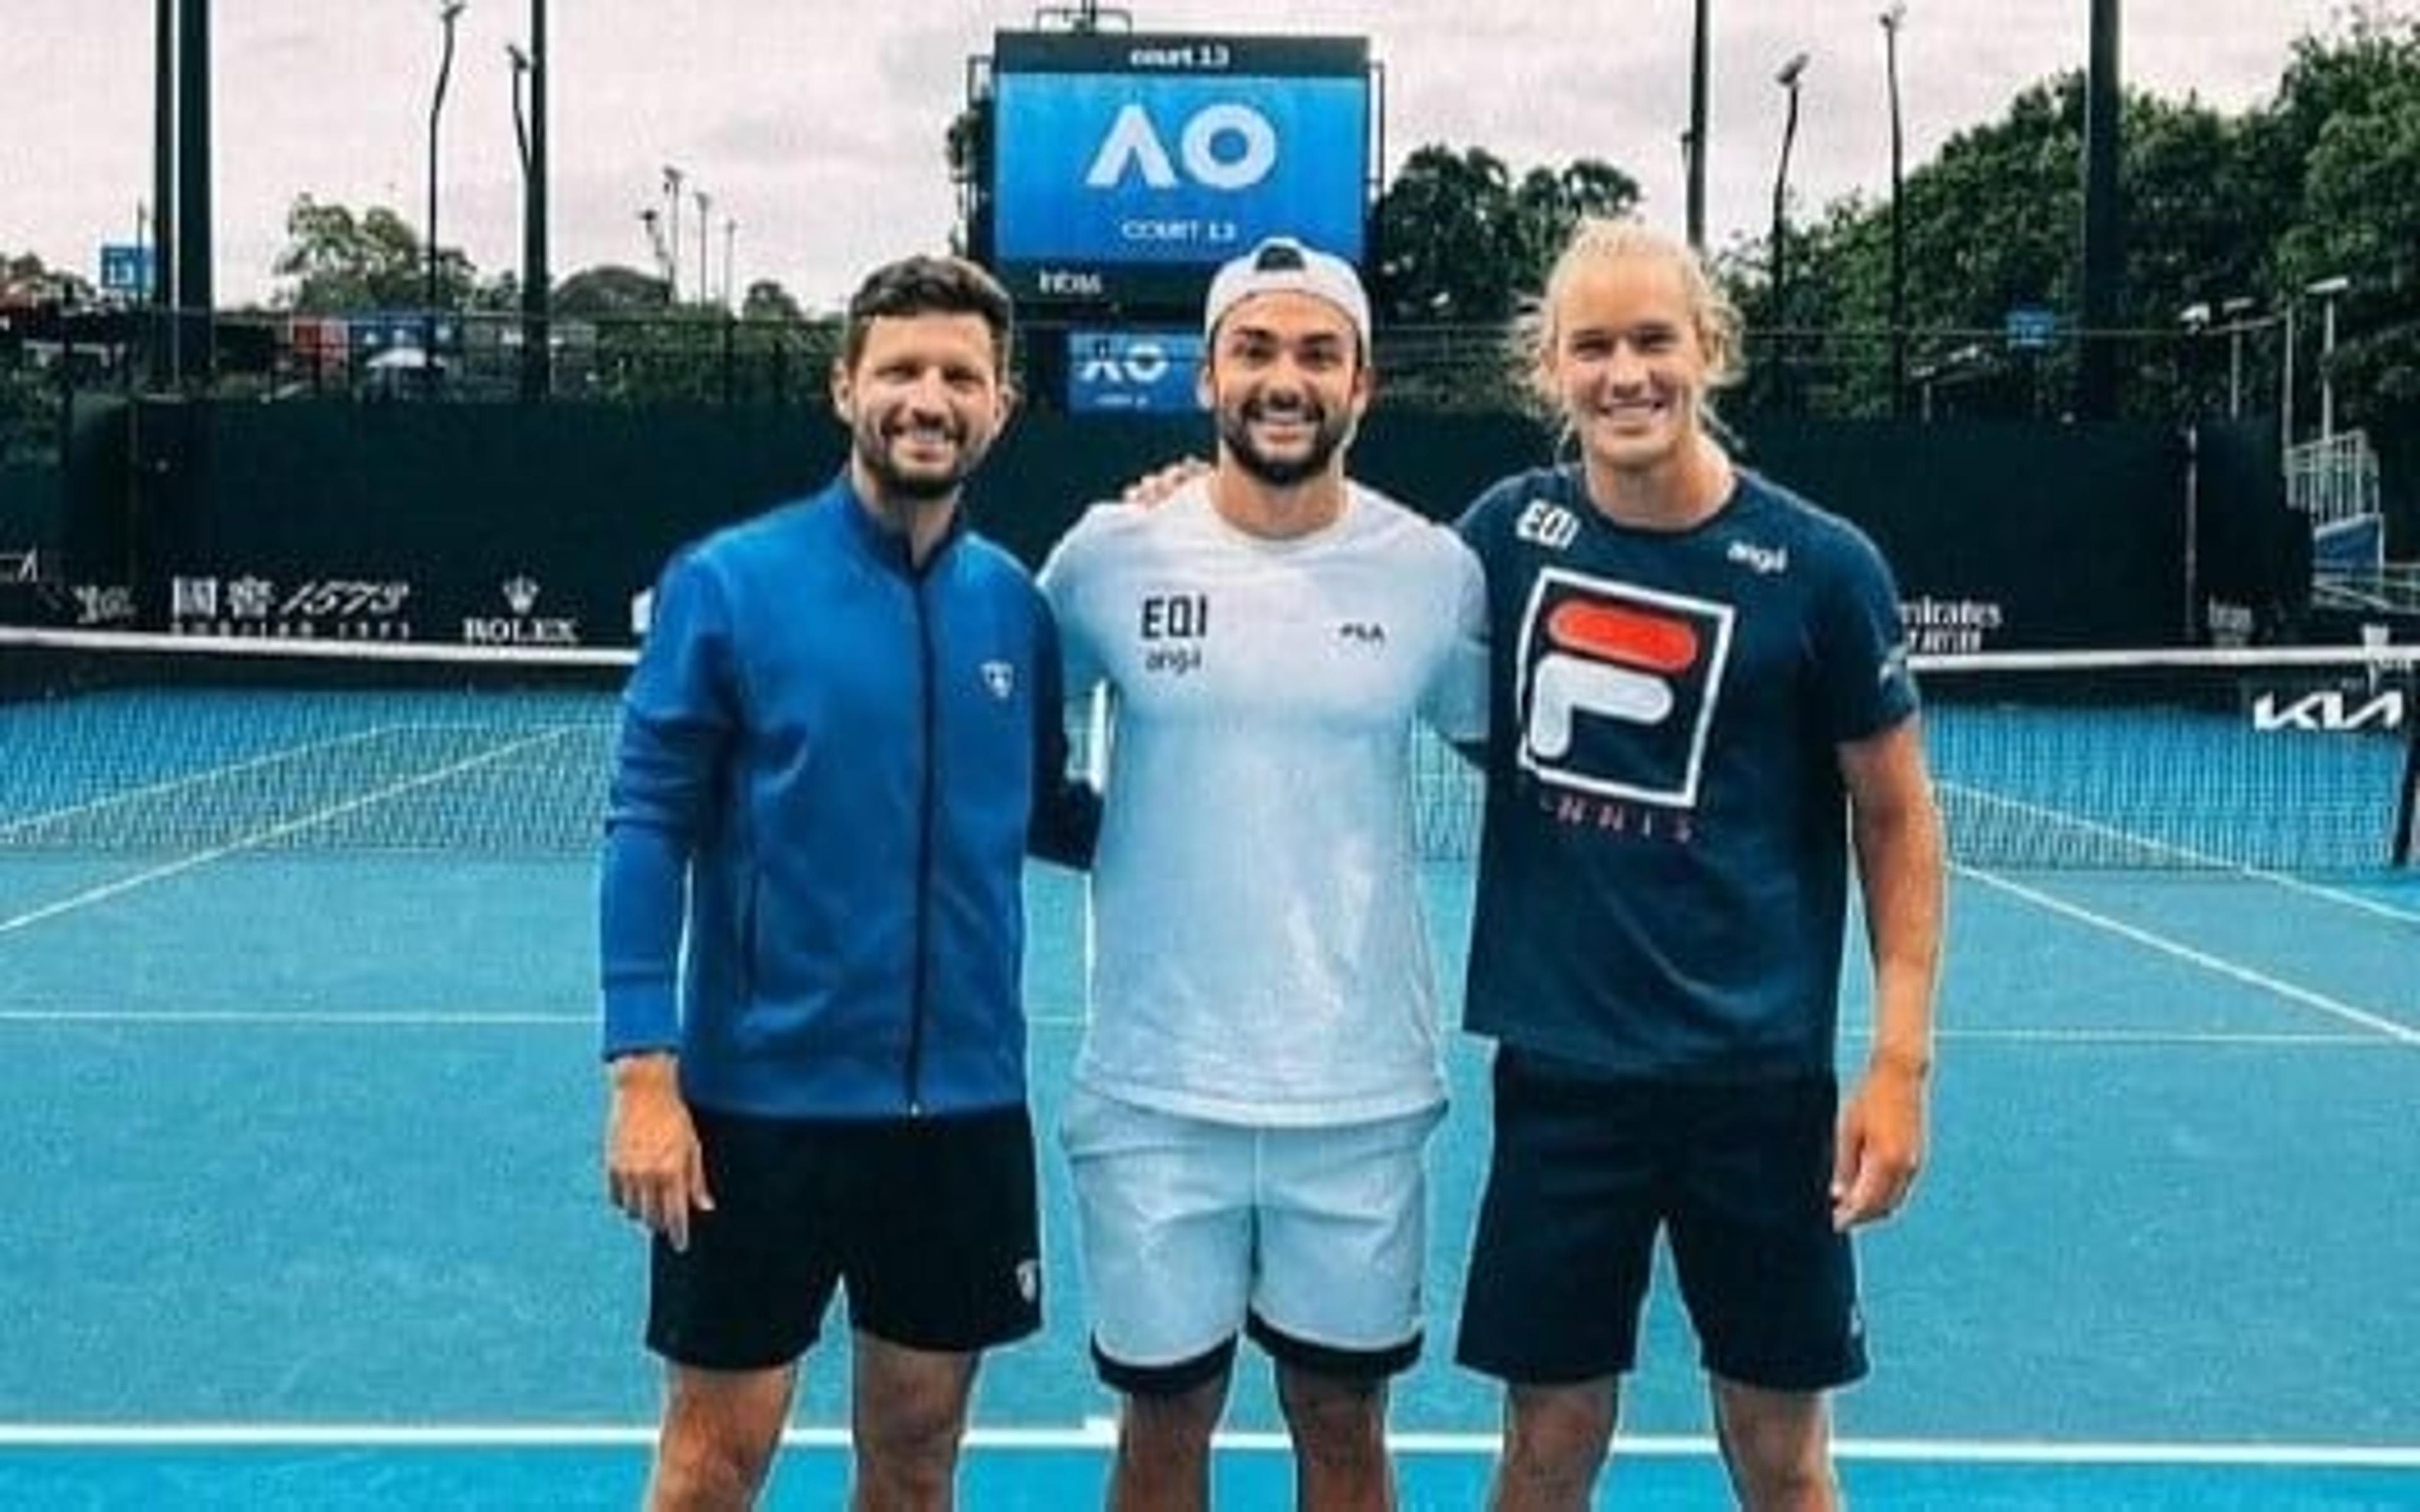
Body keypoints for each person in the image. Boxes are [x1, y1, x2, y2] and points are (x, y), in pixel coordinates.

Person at [1449, 216, 1946, 1511]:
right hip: (1564, 1083)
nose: (1627, 375)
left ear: (1708, 348)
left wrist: (1898, 1063)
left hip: (1758, 1089)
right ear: (1551, 368)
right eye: (1594, 346)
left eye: (1654, 339)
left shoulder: (1826, 570)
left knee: (1782, 1461)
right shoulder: (1505, 536)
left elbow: (1894, 820)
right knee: (1544, 1448)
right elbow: (1335, 572)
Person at [597, 253, 1096, 1512]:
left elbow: (1044, 809)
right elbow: (649, 823)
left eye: (960, 376)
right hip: (761, 1115)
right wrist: (644, 1075)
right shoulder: (730, 584)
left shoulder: (1013, 610)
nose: (929, 398)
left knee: (919, 1457)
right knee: (713, 1465)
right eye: (902, 370)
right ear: (845, 389)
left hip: (964, 1112)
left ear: (1001, 405)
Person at [1037, 236, 1488, 1511]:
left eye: (1315, 353)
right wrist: (1113, 840)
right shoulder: (1106, 558)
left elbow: (1536, 759)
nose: (1283, 379)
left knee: (1342, 1424)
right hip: (1152, 1091)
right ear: (1207, 376)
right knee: (1162, 1425)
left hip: (1360, 1094)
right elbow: (998, 747)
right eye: (1255, 350)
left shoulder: (1434, 572)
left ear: (1361, 387)